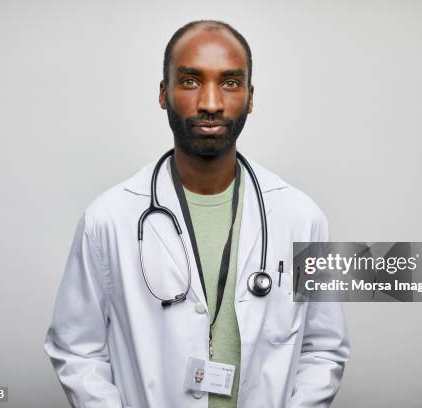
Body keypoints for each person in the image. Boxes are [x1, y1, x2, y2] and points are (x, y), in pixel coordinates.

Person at [44, 19, 350, 408]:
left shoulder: (303, 217)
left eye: (230, 82)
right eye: (190, 81)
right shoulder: (107, 219)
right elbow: (75, 348)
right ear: (163, 93)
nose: (210, 103)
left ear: (251, 97)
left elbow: (325, 348)